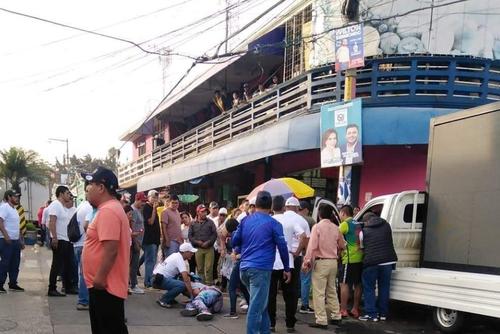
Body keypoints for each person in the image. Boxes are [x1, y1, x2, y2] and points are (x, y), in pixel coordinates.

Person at [231, 191, 291, 334]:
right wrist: (287, 268)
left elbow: (234, 241)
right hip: (261, 270)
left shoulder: (245, 221)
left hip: (244, 269)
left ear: (255, 204)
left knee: (261, 304)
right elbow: (282, 247)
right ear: (270, 206)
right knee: (256, 307)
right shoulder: (274, 224)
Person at [81, 166, 131, 334]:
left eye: (90, 185)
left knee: (108, 328)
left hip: (105, 287)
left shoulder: (109, 211)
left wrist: (100, 279)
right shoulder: (109, 209)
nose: (87, 190)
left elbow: (111, 250)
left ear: (101, 187)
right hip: (103, 286)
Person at [302, 205, 345, 330]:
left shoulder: (317, 227)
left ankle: (321, 320)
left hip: (321, 262)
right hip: (333, 262)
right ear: (331, 215)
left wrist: (306, 262)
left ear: (319, 215)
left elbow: (312, 247)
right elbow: (342, 245)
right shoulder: (336, 228)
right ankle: (336, 316)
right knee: (332, 290)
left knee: (319, 292)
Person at [268, 196, 304, 333]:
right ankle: (290, 324)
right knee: (290, 294)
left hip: (271, 262)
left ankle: (271, 323)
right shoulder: (290, 220)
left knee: (270, 295)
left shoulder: (269, 220)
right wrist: (296, 252)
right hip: (287, 262)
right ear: (284, 207)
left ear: (272, 207)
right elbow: (303, 235)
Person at [358, 215, 398, 322]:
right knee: (384, 287)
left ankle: (372, 314)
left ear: (366, 222)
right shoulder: (387, 226)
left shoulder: (363, 232)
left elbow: (362, 249)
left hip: (371, 263)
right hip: (388, 261)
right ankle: (383, 314)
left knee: (369, 287)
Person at [47, 185, 77, 297]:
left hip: (67, 239)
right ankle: (52, 288)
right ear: (61, 194)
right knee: (57, 264)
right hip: (59, 239)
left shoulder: (63, 207)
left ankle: (68, 287)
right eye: (67, 193)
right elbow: (52, 222)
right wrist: (54, 237)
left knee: (68, 264)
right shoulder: (55, 205)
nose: (69, 195)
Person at [153, 242, 197, 308]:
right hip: (158, 279)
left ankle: (170, 298)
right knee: (182, 285)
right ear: (185, 252)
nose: (192, 254)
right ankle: (163, 300)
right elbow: (186, 280)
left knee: (179, 278)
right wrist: (191, 295)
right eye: (191, 252)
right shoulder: (179, 259)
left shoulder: (176, 255)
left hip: (156, 277)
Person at [221, 218, 249, 319]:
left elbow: (238, 249)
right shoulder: (243, 232)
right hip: (244, 262)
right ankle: (250, 307)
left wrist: (237, 255)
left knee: (231, 287)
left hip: (239, 262)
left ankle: (233, 312)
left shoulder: (235, 235)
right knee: (242, 287)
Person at [338, 205, 363, 318]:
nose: (339, 215)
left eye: (340, 213)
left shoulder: (345, 224)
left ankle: (343, 310)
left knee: (344, 284)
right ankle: (355, 309)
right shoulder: (358, 224)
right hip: (360, 258)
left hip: (349, 259)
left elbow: (336, 237)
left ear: (343, 213)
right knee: (357, 284)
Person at [0, 189, 25, 293]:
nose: (17, 198)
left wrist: (21, 239)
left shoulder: (14, 209)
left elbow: (17, 226)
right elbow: (0, 222)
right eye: (15, 196)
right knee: (5, 263)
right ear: (9, 197)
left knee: (15, 263)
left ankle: (13, 284)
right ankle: (0, 284)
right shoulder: (4, 207)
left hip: (15, 241)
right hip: (6, 241)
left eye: (18, 196)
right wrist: (6, 236)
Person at [189, 204, 217, 285]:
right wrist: (197, 242)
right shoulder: (193, 223)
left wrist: (208, 242)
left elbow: (214, 234)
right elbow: (190, 236)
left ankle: (209, 285)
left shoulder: (210, 222)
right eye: (202, 212)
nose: (204, 213)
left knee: (209, 268)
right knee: (200, 269)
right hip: (198, 248)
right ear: (198, 212)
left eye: (205, 211)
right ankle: (201, 285)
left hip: (209, 248)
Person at [74, 198, 93, 310]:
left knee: (82, 273)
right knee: (86, 274)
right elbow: (87, 225)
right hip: (85, 244)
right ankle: (84, 300)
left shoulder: (80, 206)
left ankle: (83, 299)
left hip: (77, 244)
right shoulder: (90, 208)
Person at [298, 200, 316, 314]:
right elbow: (312, 239)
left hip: (292, 254)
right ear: (306, 210)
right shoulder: (310, 220)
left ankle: (295, 300)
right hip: (305, 253)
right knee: (305, 280)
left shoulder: (292, 219)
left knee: (294, 280)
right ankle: (304, 305)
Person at [142, 189, 161, 288]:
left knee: (152, 260)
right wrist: (154, 209)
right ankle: (148, 281)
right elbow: (150, 222)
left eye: (156, 197)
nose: (155, 199)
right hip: (149, 239)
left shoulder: (154, 208)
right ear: (148, 197)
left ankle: (148, 280)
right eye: (153, 197)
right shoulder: (146, 207)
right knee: (150, 261)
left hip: (155, 239)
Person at [129, 192, 146, 294]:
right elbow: (132, 227)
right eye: (142, 201)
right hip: (135, 241)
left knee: (134, 264)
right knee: (134, 264)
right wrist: (135, 242)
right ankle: (134, 285)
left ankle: (132, 284)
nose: (143, 203)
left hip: (138, 241)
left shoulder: (138, 210)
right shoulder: (133, 211)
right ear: (137, 199)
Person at [161, 194, 183, 258]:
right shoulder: (165, 212)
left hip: (179, 241)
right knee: (170, 263)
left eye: (176, 203)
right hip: (171, 242)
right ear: (169, 202)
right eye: (173, 203)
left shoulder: (177, 212)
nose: (175, 204)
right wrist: (167, 240)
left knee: (177, 263)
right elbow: (163, 228)